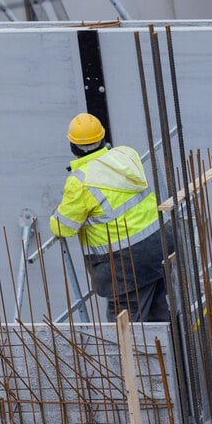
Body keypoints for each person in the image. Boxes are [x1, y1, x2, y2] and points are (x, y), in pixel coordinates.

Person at [49, 113, 170, 322]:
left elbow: (64, 227)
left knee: (127, 330)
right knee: (161, 315)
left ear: (73, 147)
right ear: (103, 137)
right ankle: (177, 354)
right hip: (161, 245)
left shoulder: (79, 181)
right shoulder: (126, 155)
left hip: (126, 267)